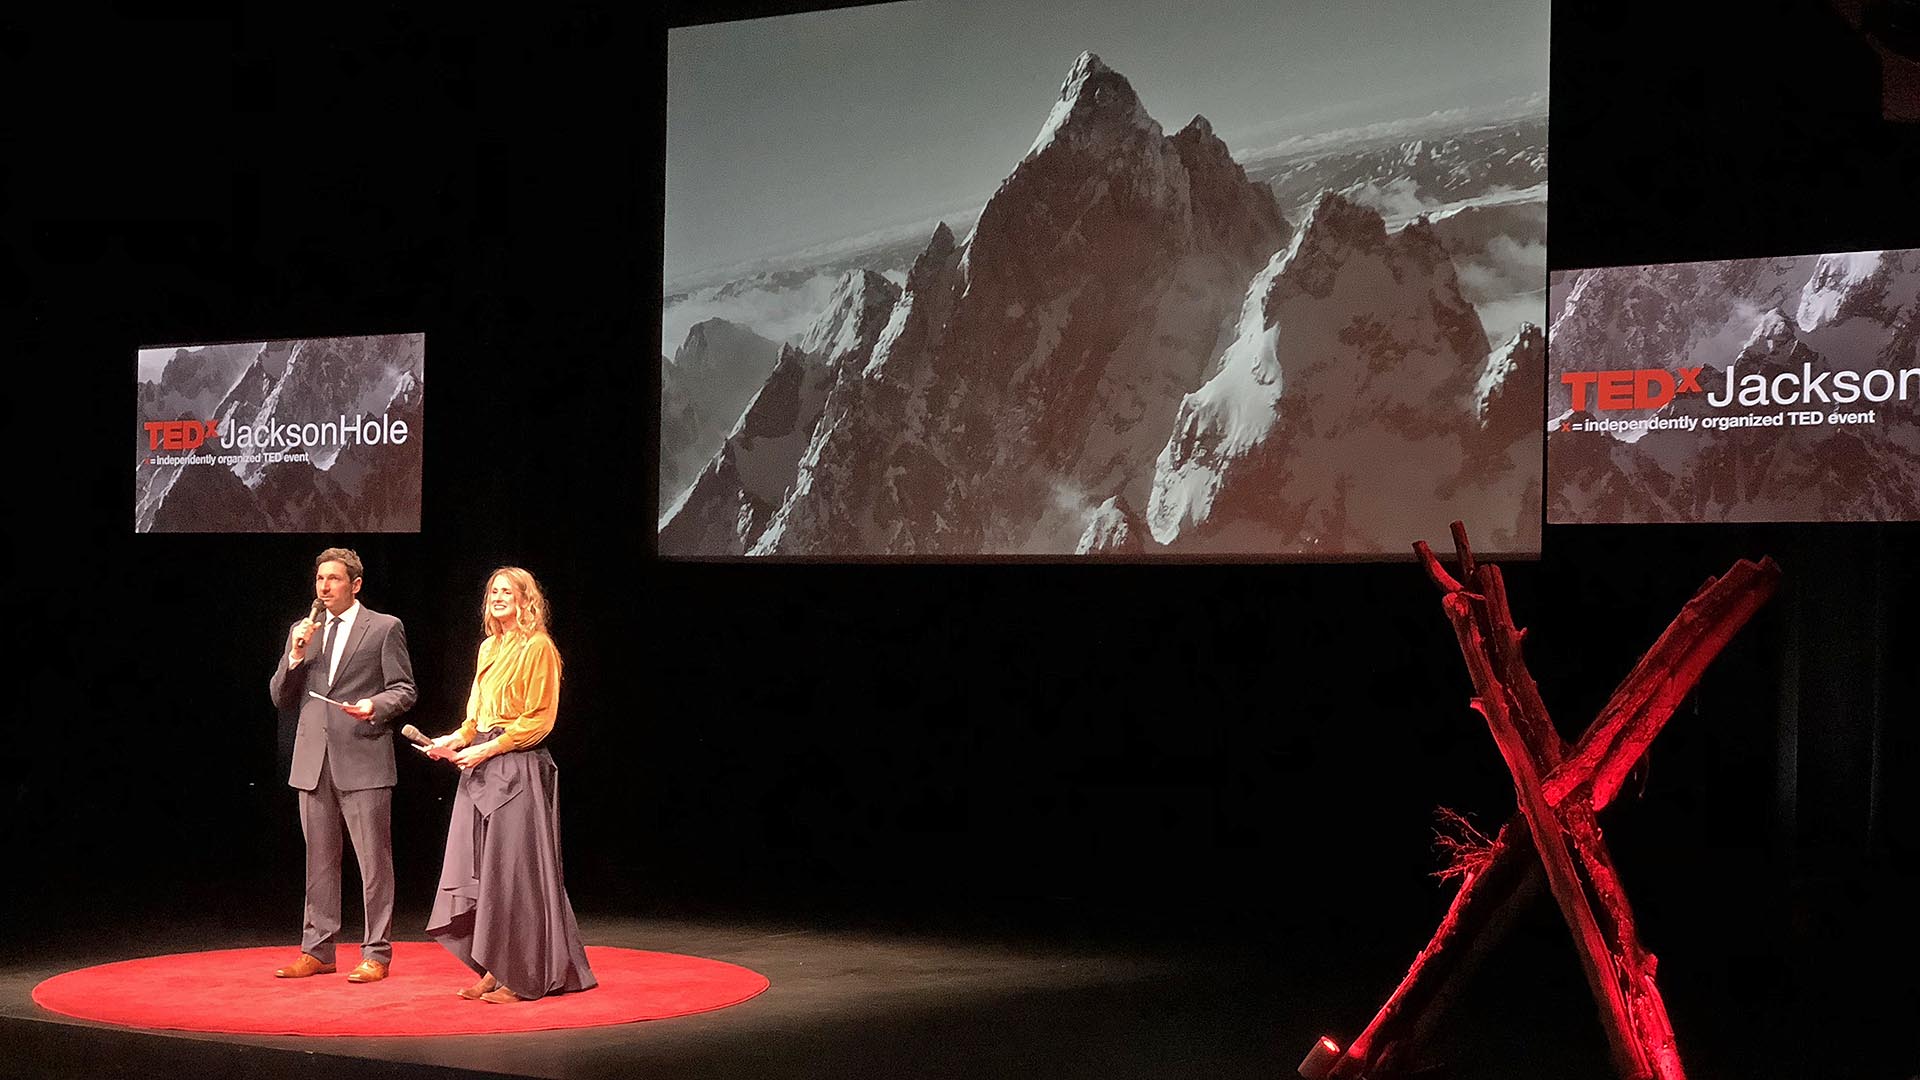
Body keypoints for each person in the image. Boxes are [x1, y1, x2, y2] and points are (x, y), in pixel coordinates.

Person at [424, 567, 596, 1003]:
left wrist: (487, 748)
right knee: (483, 871)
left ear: (526, 600)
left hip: (516, 767)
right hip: (482, 765)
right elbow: (475, 715)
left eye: (508, 592)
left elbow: (539, 720)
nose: (499, 597)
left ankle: (523, 976)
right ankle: (492, 967)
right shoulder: (488, 648)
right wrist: (454, 740)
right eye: (494, 591)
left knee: (514, 874)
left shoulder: (539, 647)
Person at [267, 547, 417, 983]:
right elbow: (281, 695)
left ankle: (377, 952)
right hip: (313, 760)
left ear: (355, 585)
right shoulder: (304, 631)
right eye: (319, 580)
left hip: (363, 756)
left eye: (333, 579)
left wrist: (374, 704)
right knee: (320, 861)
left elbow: (404, 689)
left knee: (373, 862)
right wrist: (295, 656)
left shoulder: (384, 628)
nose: (324, 587)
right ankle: (317, 949)